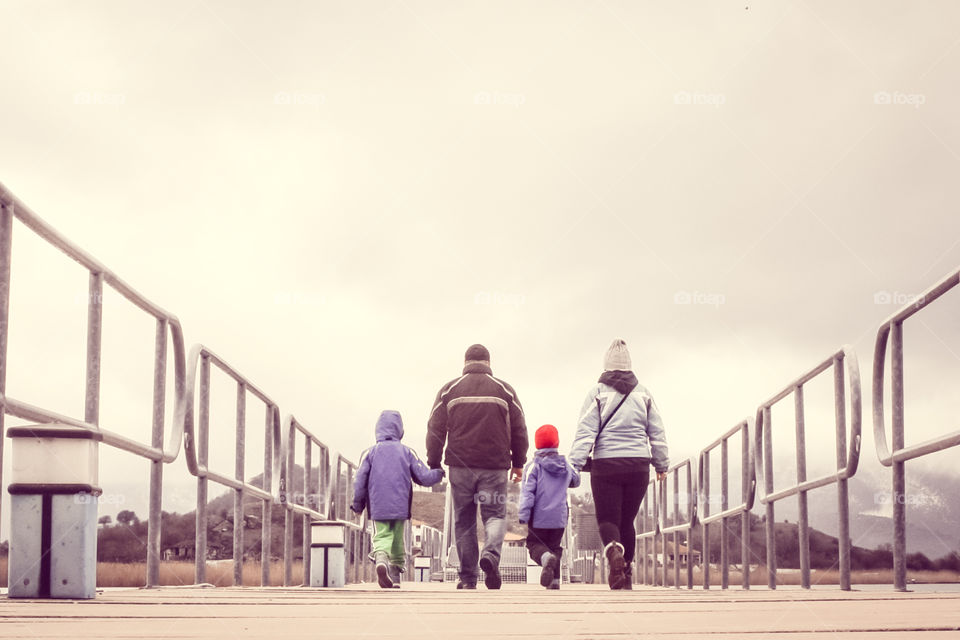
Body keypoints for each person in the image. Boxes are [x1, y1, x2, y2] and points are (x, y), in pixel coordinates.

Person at [568, 338, 669, 590]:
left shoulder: (597, 393)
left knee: (607, 520)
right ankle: (626, 574)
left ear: (606, 366)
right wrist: (661, 464)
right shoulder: (644, 393)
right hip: (638, 467)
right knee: (627, 521)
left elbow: (585, 433)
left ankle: (613, 550)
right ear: (629, 366)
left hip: (606, 466)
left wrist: (574, 466)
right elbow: (657, 431)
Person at [426, 344, 528, 590]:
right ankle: (491, 555)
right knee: (494, 515)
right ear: (488, 363)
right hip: (494, 467)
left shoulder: (449, 390)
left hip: (460, 467)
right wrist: (518, 463)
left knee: (464, 521)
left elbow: (434, 429)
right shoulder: (505, 390)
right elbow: (519, 428)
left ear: (465, 362)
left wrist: (434, 462)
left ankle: (468, 578)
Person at [352, 410, 445, 589]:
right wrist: (439, 473)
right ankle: (394, 576)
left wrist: (357, 505)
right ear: (400, 430)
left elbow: (359, 481)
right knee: (397, 539)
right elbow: (423, 477)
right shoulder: (407, 452)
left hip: (378, 506)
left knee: (382, 535)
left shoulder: (369, 453)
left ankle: (380, 559)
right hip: (400, 506)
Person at [518, 424, 580, 590]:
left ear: (537, 444)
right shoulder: (565, 465)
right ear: (557, 443)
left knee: (533, 545)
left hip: (538, 517)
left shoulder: (533, 466)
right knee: (555, 547)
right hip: (559, 517)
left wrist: (524, 514)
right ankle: (554, 582)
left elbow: (527, 492)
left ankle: (545, 558)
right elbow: (576, 481)